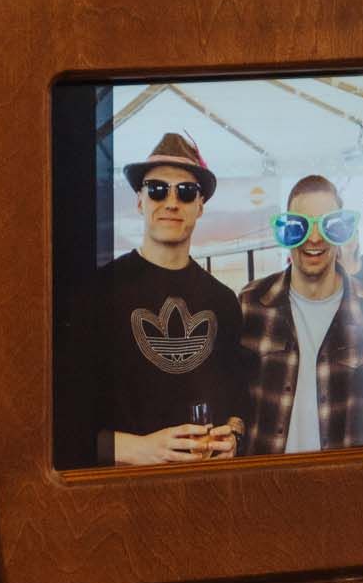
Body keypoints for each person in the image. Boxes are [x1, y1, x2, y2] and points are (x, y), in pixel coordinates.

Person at [54, 132, 246, 468]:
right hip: (123, 496)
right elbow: (60, 424)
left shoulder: (224, 301)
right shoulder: (96, 294)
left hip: (205, 491)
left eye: (185, 192)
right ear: (140, 200)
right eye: (158, 189)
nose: (171, 202)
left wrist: (233, 436)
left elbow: (237, 398)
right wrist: (140, 449)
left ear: (200, 206)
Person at [240, 174, 363, 455]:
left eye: (328, 226)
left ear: (342, 232)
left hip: (341, 489)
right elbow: (234, 405)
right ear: (287, 231)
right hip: (263, 488)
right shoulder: (250, 305)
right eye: (300, 226)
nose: (313, 238)